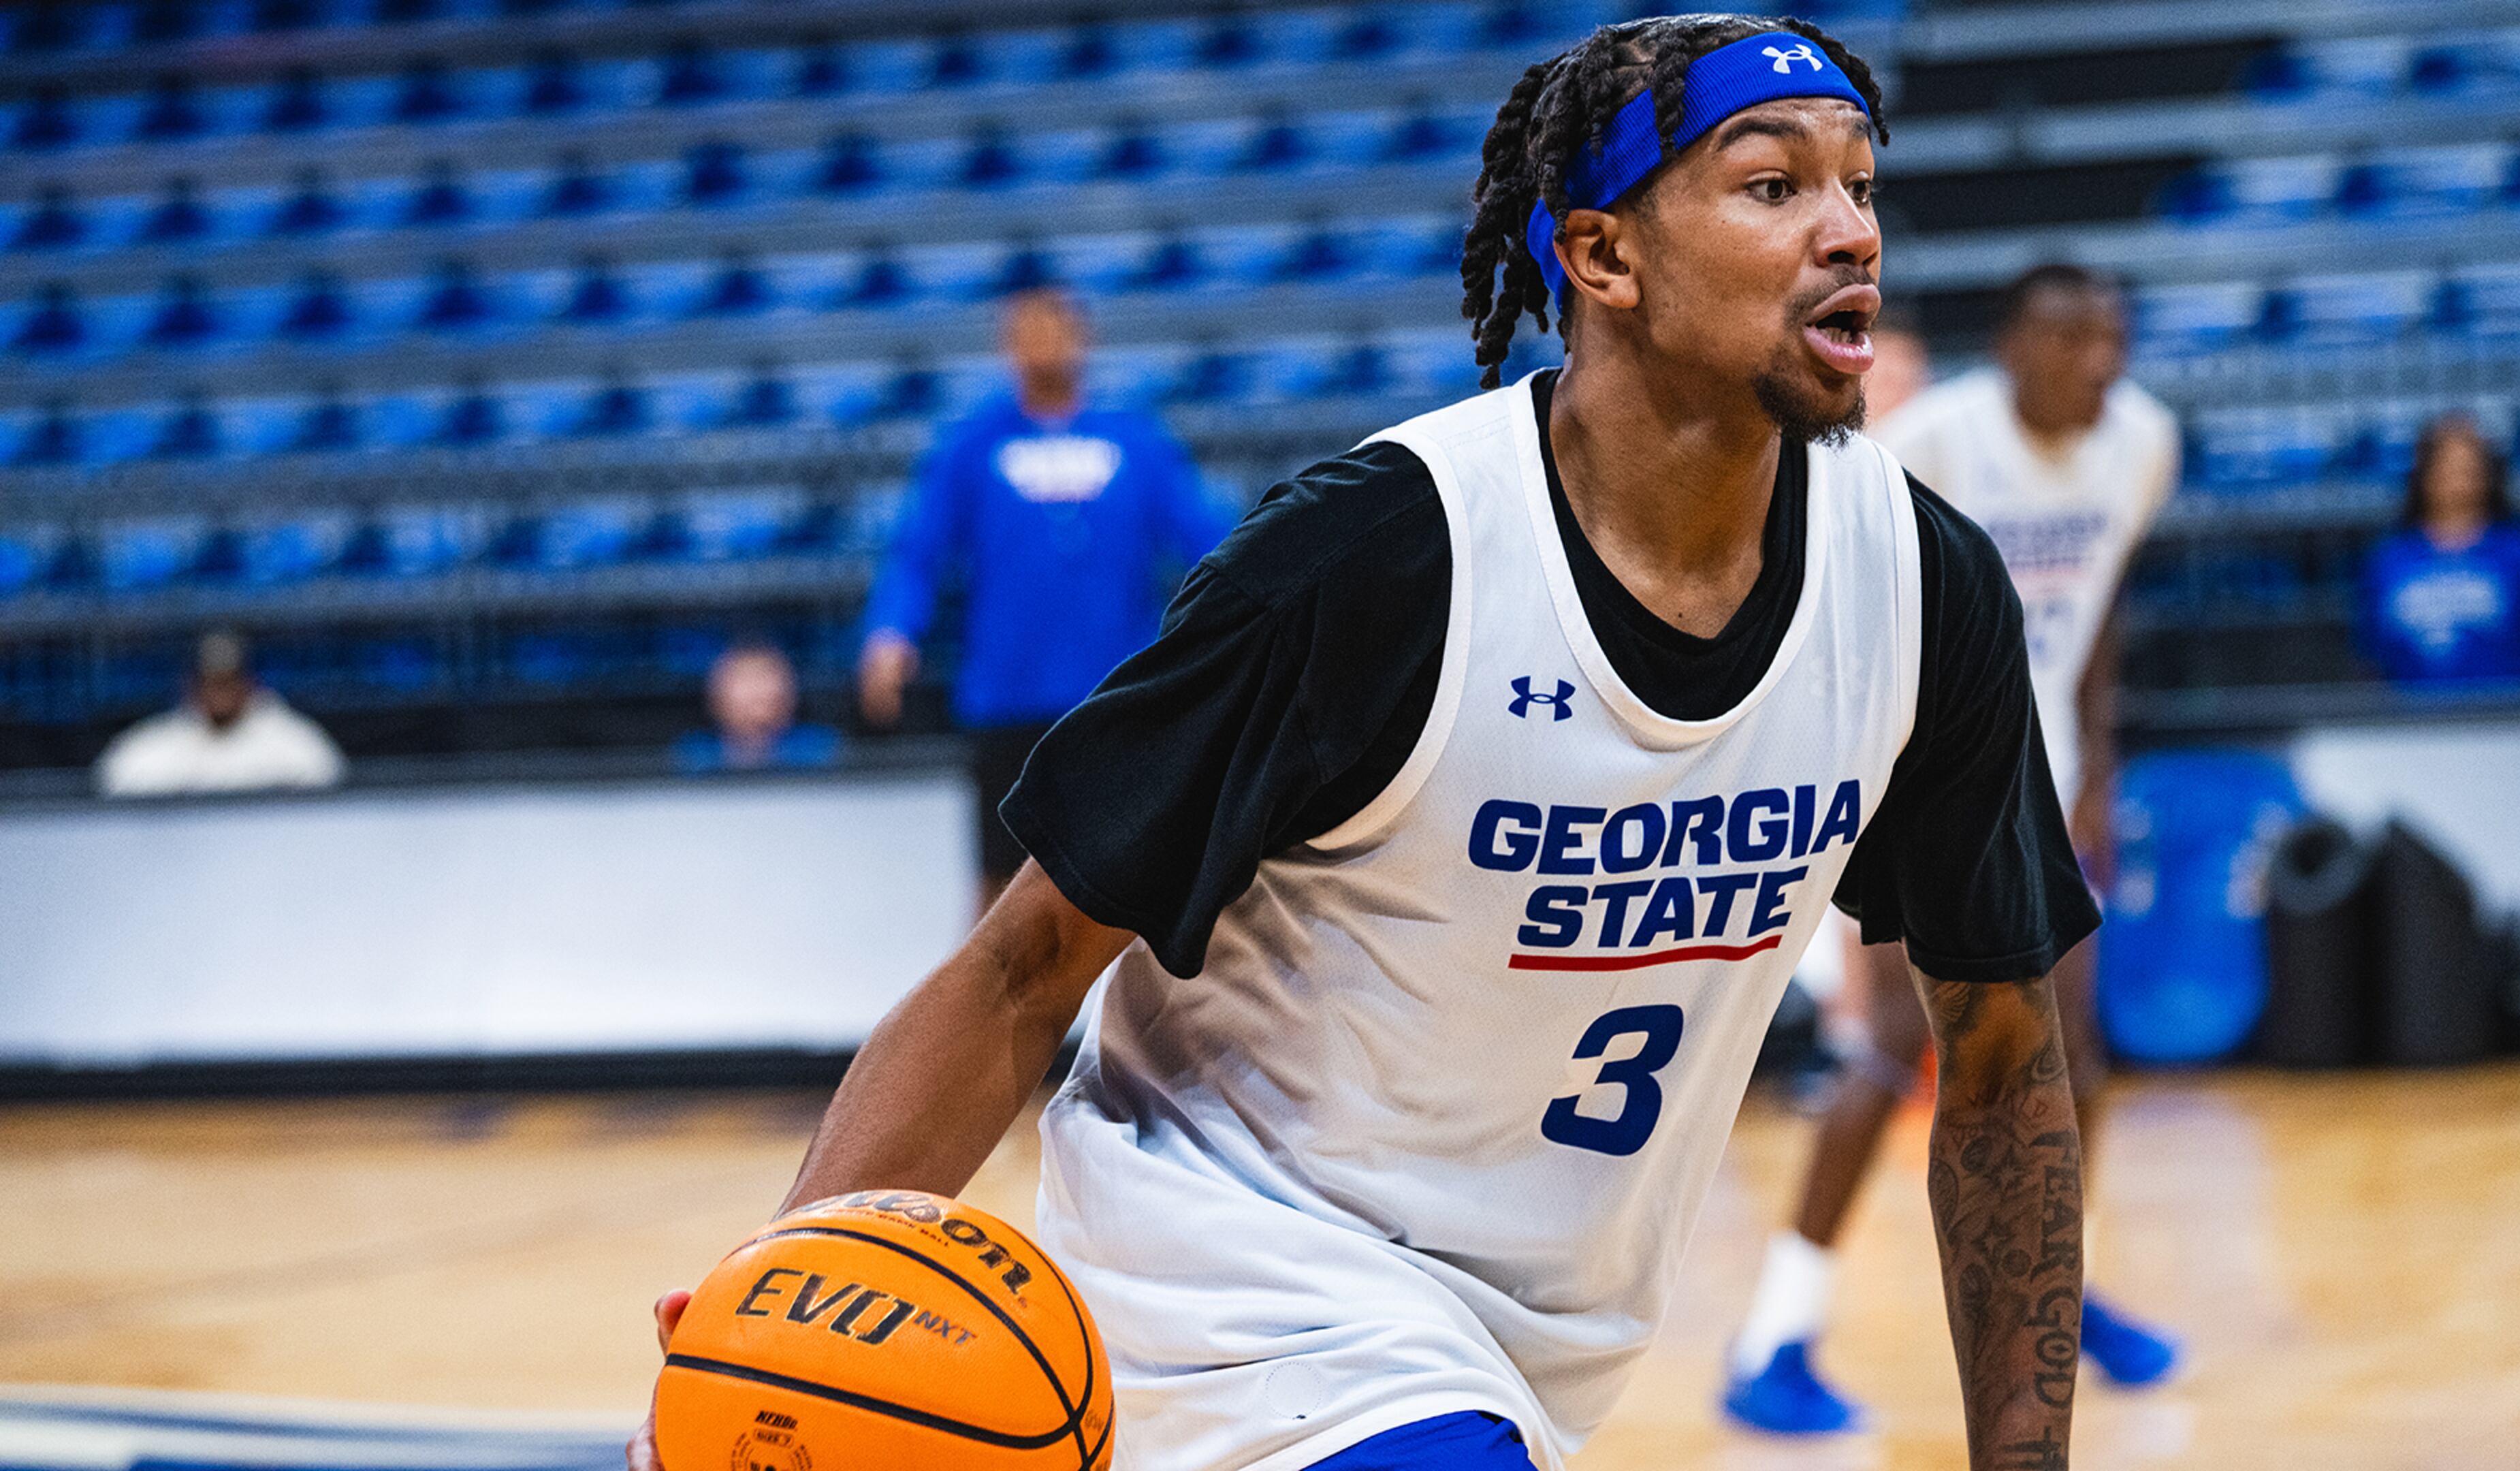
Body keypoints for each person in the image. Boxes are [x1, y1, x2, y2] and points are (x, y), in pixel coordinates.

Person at [635, 18, 2096, 1471]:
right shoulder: (1376, 563)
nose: (1849, 232)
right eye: (1775, 186)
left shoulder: (1921, 587)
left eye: (1862, 186)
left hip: (1538, 1338)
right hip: (1235, 1278)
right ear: (1603, 258)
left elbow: (2002, 1067)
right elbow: (1022, 971)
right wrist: (779, 1312)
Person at [1723, 263, 2182, 1436]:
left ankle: (2054, 1297)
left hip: (2043, 781)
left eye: (2116, 340)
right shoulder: (1927, 442)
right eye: (2077, 343)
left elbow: (2101, 606)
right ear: (2016, 350)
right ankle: (1775, 1335)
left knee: (2076, 1062)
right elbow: (1825, 607)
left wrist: (2094, 765)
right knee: (1888, 1054)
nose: (2104, 364)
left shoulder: (2143, 441)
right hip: (1904, 773)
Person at [856, 287, 1232, 911]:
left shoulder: (1136, 442)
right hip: (1008, 698)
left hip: (1116, 696)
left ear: (1084, 339)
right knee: (999, 886)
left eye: (1055, 330)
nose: (1043, 347)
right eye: (1027, 333)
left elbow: (1206, 539)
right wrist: (892, 632)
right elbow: (917, 552)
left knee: (1138, 872)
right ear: (1006, 347)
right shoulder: (971, 446)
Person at [2357, 413, 2520, 687]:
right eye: (2446, 468)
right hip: (2412, 722)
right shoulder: (2390, 559)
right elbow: (2372, 657)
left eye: (2468, 469)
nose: (2457, 482)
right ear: (2424, 474)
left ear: (2488, 475)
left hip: (2510, 719)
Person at [95, 630, 345, 797]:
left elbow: (326, 779)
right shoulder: (157, 744)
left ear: (248, 682)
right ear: (192, 685)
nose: (219, 692)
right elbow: (115, 779)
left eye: (228, 681)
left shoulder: (291, 740)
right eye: (210, 681)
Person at [673, 640, 839, 774]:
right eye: (746, 679)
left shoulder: (819, 751)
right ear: (717, 696)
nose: (758, 691)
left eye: (767, 675)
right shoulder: (695, 758)